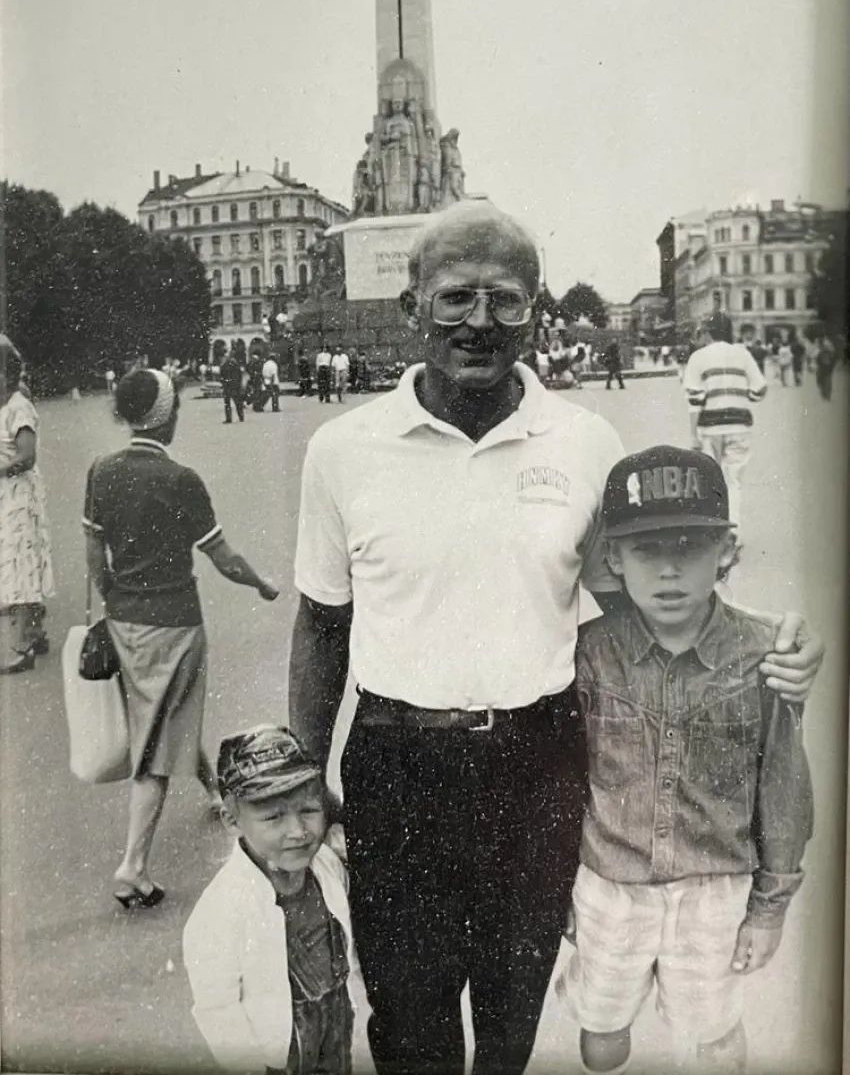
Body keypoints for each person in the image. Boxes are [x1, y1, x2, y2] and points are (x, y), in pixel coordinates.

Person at [288, 201, 821, 1075]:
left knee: (510, 1018)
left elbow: (642, 607)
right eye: (457, 298)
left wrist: (771, 647)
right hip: (397, 765)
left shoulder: (583, 441)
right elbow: (321, 621)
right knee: (409, 1021)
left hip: (538, 766)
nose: (480, 323)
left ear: (535, 311)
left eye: (506, 300)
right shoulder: (343, 449)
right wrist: (305, 771)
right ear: (411, 306)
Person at [560, 445, 813, 1075]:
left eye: (690, 546)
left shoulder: (765, 656)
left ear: (726, 549)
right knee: (602, 1037)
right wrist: (555, 889)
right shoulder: (584, 655)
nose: (669, 570)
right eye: (646, 549)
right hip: (609, 887)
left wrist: (768, 909)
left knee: (712, 1036)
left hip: (715, 891)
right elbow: (561, 781)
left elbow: (783, 789)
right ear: (613, 556)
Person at [84, 369, 279, 908]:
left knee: (164, 711)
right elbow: (224, 560)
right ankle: (133, 867)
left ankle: (215, 788)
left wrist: (114, 602)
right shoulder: (181, 479)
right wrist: (263, 584)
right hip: (175, 623)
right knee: (157, 741)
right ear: (165, 416)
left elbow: (94, 558)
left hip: (125, 621)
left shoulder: (101, 471)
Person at [183, 725, 357, 1075]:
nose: (298, 831)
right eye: (274, 817)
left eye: (309, 810)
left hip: (334, 1024)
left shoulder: (327, 868)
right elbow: (218, 1009)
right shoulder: (222, 910)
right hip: (279, 1049)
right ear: (232, 820)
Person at [683, 314, 767, 536]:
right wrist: (741, 397)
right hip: (740, 426)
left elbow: (694, 401)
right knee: (734, 480)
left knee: (712, 479)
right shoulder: (743, 354)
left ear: (708, 332)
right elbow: (760, 388)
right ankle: (734, 534)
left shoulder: (698, 358)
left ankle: (714, 530)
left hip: (710, 428)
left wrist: (693, 436)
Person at [0, 344, 54, 673]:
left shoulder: (19, 407)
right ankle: (35, 634)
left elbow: (26, 455)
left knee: (19, 561)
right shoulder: (6, 405)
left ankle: (22, 647)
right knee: (23, 558)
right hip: (9, 491)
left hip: (18, 493)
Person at [219, 351, 245, 424]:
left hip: (227, 386)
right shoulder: (236, 365)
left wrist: (223, 383)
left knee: (227, 403)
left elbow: (221, 376)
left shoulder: (224, 365)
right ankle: (241, 417)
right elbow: (240, 376)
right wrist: (239, 384)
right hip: (235, 386)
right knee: (238, 402)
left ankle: (229, 418)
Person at [814, 335, 837, 400]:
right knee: (824, 381)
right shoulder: (821, 350)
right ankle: (826, 395)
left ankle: (826, 395)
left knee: (823, 381)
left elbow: (817, 359)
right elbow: (833, 360)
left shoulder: (827, 350)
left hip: (824, 368)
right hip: (825, 368)